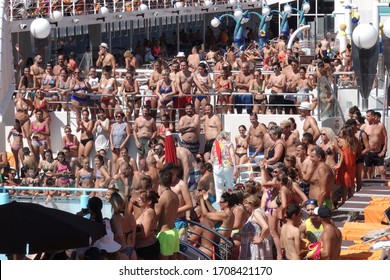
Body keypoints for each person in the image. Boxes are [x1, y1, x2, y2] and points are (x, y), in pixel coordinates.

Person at [155, 168, 180, 260]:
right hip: (173, 231)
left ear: (159, 181)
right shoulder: (175, 195)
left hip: (164, 234)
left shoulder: (163, 197)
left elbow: (155, 217)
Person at [240, 195, 272, 260]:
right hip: (254, 246)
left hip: (256, 248)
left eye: (245, 205)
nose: (245, 207)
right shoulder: (258, 211)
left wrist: (260, 239)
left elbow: (265, 227)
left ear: (250, 203)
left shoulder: (256, 213)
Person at [210, 131, 236, 204]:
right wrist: (235, 167)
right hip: (227, 165)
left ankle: (219, 201)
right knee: (229, 185)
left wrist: (213, 163)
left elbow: (212, 157)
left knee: (218, 186)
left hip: (217, 166)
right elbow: (232, 155)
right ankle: (229, 201)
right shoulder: (229, 143)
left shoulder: (215, 143)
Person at [110, 192, 137, 260]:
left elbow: (119, 235)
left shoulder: (116, 217)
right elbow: (134, 235)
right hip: (131, 249)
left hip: (121, 250)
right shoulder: (131, 216)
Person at [134, 189, 160, 260]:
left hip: (146, 250)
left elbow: (144, 234)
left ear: (149, 201)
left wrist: (130, 234)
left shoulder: (148, 213)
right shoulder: (148, 211)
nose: (139, 199)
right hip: (147, 247)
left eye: (142, 198)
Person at [337, 127, 360, 205]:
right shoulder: (355, 142)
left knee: (344, 184)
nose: (339, 134)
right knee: (351, 183)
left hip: (344, 165)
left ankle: (344, 201)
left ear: (345, 134)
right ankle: (351, 198)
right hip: (352, 165)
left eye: (341, 133)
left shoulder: (342, 142)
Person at [362, 109, 387, 179]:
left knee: (382, 170)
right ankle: (369, 186)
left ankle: (384, 186)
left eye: (368, 116)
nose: (366, 117)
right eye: (366, 116)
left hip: (378, 152)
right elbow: (357, 134)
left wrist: (384, 150)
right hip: (368, 152)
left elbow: (385, 137)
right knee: (368, 170)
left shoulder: (381, 126)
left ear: (373, 116)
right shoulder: (365, 126)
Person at [134, 106, 157, 171]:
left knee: (149, 157)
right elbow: (134, 131)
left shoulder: (152, 120)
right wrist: (136, 141)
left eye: (146, 111)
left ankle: (148, 172)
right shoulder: (137, 119)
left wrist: (151, 140)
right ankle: (140, 172)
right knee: (140, 157)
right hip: (140, 139)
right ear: (141, 111)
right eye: (143, 111)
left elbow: (155, 131)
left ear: (148, 111)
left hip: (148, 140)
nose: (145, 112)